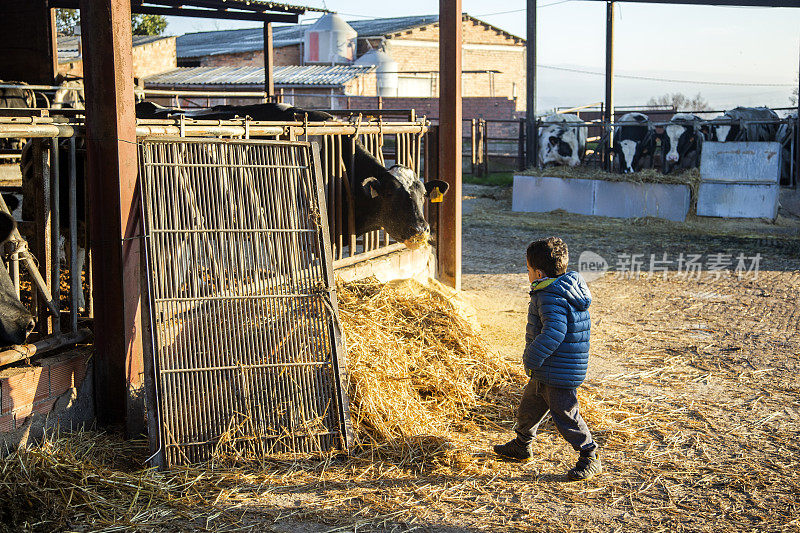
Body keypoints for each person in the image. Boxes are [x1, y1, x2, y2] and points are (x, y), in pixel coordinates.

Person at [493, 237, 601, 481]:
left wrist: (530, 357)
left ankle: (589, 455)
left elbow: (554, 332)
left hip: (557, 371)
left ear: (538, 273)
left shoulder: (549, 295)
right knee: (528, 408)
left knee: (565, 416)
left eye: (528, 269)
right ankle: (522, 446)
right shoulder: (561, 287)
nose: (527, 273)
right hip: (548, 369)